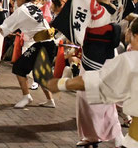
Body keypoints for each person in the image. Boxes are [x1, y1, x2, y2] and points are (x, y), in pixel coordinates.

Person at [47, 18, 138, 148]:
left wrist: (59, 84)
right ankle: (94, 136)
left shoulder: (129, 62)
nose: (128, 38)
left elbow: (92, 82)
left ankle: (107, 135)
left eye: (131, 34)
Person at [0, 0, 56, 108]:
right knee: (38, 74)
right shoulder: (33, 6)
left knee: (19, 67)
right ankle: (50, 101)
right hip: (48, 43)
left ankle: (26, 96)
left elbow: (4, 26)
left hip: (43, 45)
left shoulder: (22, 10)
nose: (15, 1)